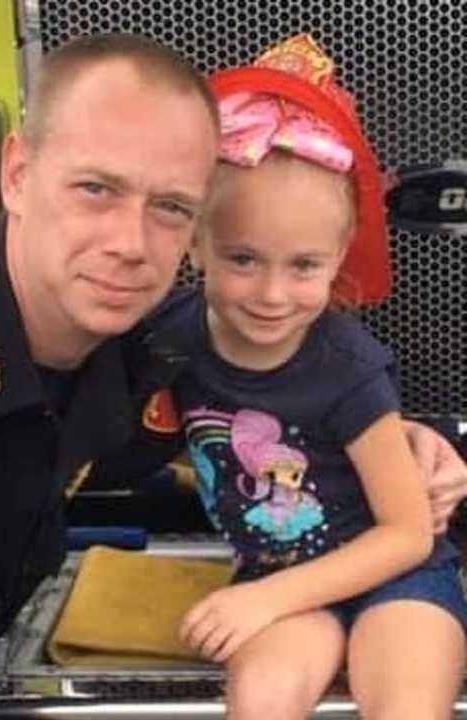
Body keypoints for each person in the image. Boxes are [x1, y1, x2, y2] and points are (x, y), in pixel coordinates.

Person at [0, 31, 463, 720]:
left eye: (171, 207)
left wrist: (391, 435)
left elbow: (269, 388)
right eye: (96, 188)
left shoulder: (128, 333)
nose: (129, 245)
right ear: (17, 173)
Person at [162, 35, 466, 718]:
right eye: (243, 258)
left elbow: (409, 533)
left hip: (399, 578)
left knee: (408, 708)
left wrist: (262, 599)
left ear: (339, 255)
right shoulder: (170, 337)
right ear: (194, 243)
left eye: (303, 266)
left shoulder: (348, 370)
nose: (272, 294)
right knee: (260, 700)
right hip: (281, 577)